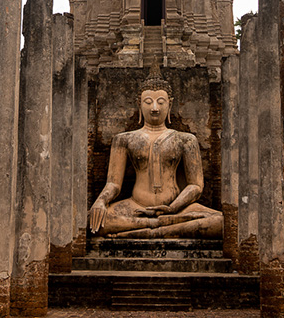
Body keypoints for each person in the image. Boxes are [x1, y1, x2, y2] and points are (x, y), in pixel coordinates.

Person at [88, 77, 222, 239]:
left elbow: (196, 186)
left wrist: (173, 208)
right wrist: (100, 201)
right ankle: (156, 225)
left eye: (160, 102)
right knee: (92, 220)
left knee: (220, 221)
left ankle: (149, 230)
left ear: (170, 104)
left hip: (177, 208)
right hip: (136, 206)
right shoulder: (124, 139)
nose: (154, 108)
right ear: (139, 104)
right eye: (148, 102)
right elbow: (114, 183)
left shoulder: (186, 139)